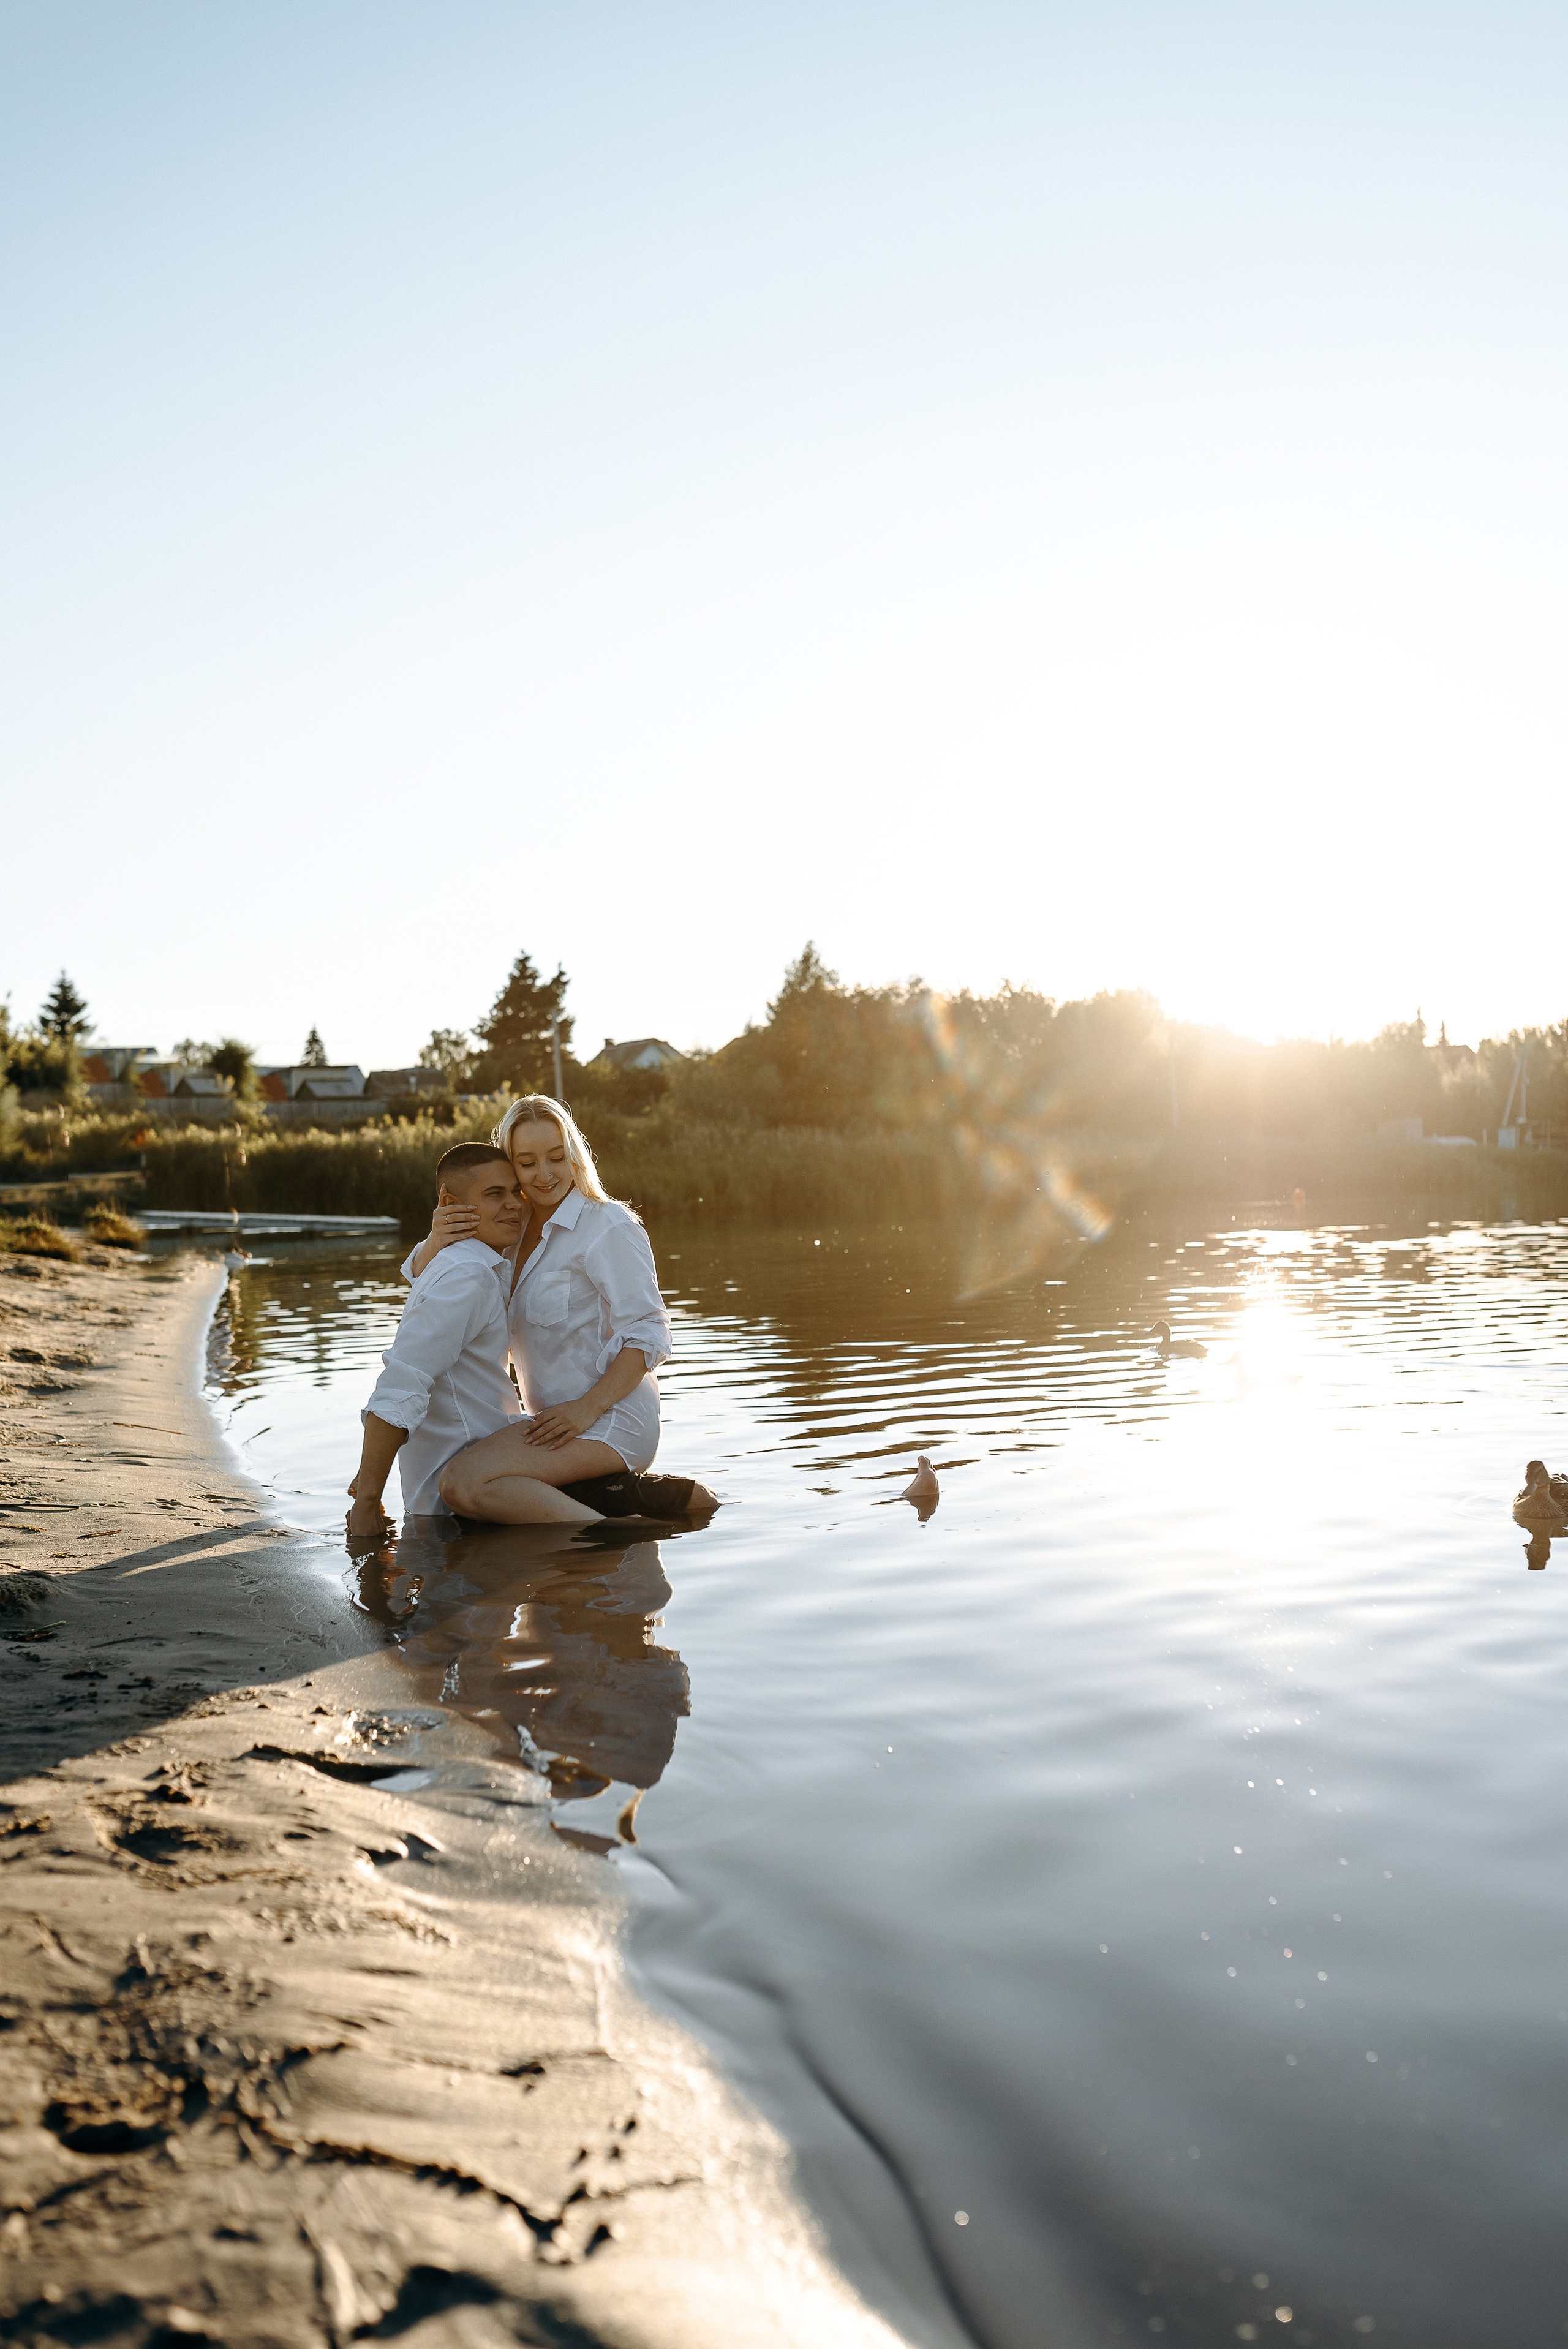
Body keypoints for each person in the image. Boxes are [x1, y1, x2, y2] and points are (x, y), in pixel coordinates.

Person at [405, 1095, 714, 1525]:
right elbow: (425, 1280)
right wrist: (435, 1241)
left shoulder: (608, 1225)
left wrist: (588, 1407)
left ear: (575, 1154)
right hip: (550, 1421)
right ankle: (631, 1502)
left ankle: (606, 1543)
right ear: (510, 1166)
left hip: (609, 1416)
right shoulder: (508, 1228)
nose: (545, 1174)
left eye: (556, 1157)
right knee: (462, 1488)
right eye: (527, 1163)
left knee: (464, 1484)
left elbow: (651, 1331)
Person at [344, 1143, 524, 1545]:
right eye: (496, 1194)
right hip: (465, 1510)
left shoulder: (454, 1263)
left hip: (470, 1490)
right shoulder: (469, 1276)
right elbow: (401, 1382)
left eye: (517, 1191)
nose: (514, 1204)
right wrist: (368, 1503)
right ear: (450, 1203)